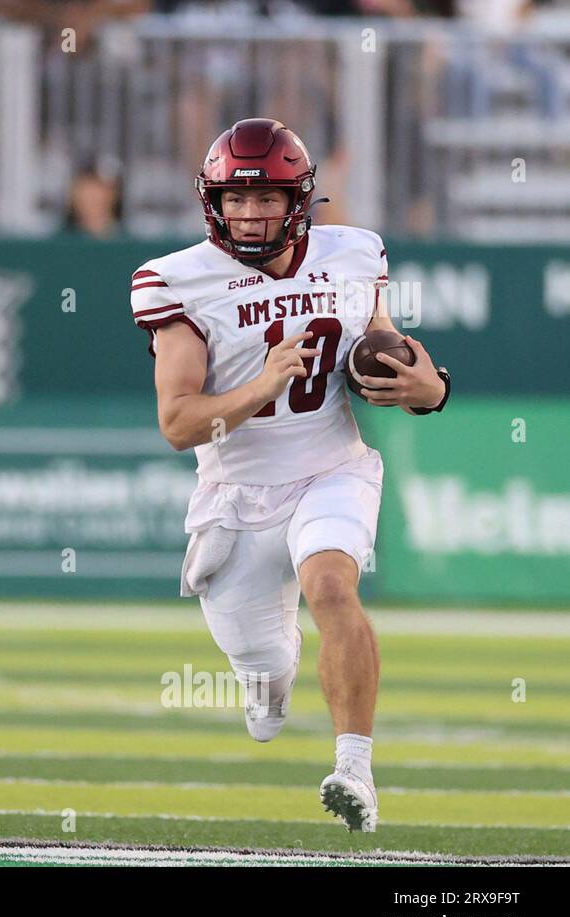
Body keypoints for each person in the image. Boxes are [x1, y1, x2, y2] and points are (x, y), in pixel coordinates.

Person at [130, 118, 451, 832]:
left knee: (332, 587)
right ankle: (267, 678)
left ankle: (355, 771)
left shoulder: (354, 254)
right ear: (212, 201)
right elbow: (180, 425)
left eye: (267, 198)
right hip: (235, 496)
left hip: (330, 466)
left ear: (299, 200)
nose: (249, 214)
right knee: (265, 667)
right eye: (235, 199)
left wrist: (431, 388)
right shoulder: (177, 282)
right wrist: (259, 385)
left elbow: (388, 353)